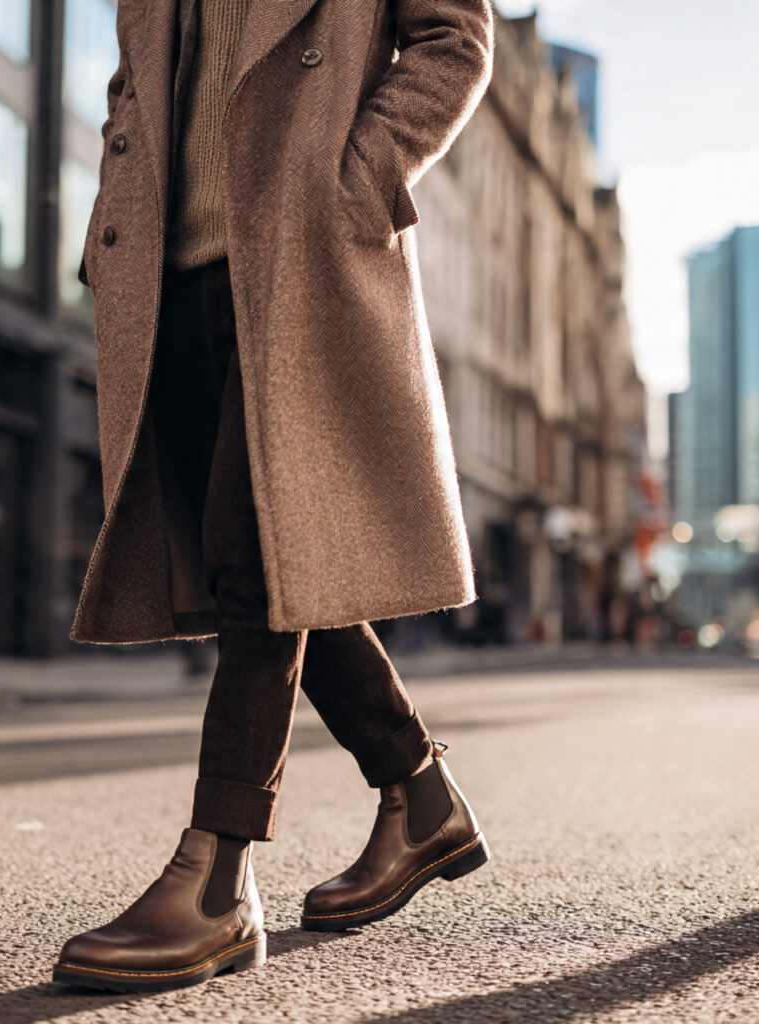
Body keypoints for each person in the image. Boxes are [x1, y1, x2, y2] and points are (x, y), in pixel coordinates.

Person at [54, 0, 495, 994]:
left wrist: (358, 179)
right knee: (262, 556)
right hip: (170, 275)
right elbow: (144, 75)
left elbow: (454, 40)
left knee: (253, 559)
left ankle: (214, 877)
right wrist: (107, 219)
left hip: (298, 260)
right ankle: (418, 794)